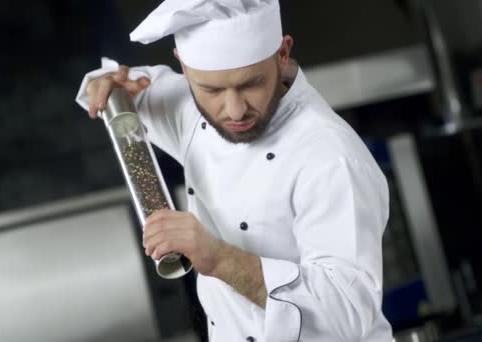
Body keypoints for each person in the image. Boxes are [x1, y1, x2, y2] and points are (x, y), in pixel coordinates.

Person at [76, 0, 392, 340]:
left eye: (251, 84)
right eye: (212, 89)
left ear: (283, 53)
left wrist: (217, 259)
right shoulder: (190, 112)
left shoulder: (329, 156)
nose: (235, 110)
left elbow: (345, 314)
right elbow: (116, 85)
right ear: (183, 66)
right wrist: (110, 87)